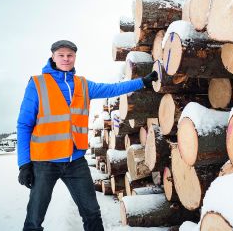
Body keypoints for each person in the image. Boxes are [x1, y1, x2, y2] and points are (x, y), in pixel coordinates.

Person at [17, 40, 158, 231]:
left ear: (74, 57)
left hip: (75, 161)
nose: (66, 59)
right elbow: (24, 125)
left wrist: (142, 82)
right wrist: (24, 164)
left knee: (92, 213)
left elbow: (112, 89)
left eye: (70, 55)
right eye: (61, 55)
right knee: (34, 219)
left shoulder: (82, 84)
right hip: (44, 162)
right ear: (53, 57)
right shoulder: (37, 83)